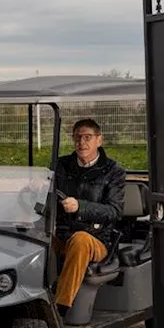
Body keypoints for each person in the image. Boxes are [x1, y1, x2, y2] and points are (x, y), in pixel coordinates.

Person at [52, 118, 127, 316]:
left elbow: (114, 211)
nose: (81, 143)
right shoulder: (62, 165)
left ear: (99, 140)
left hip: (97, 239)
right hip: (63, 234)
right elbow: (45, 189)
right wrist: (33, 188)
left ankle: (59, 309)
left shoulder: (113, 171)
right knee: (33, 239)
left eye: (87, 137)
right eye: (77, 137)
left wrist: (80, 206)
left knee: (80, 240)